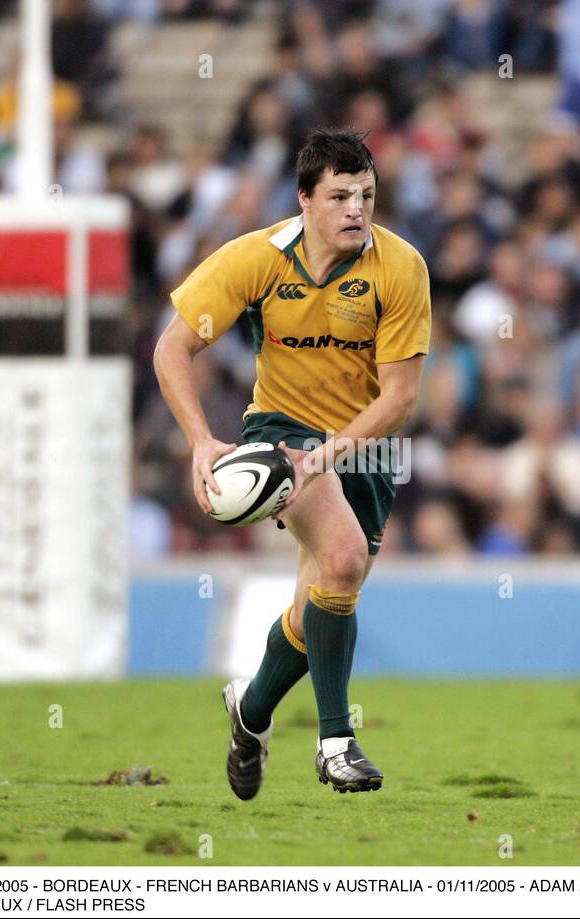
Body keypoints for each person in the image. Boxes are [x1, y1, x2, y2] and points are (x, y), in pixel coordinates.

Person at [153, 127, 430, 798]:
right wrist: (200, 440)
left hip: (364, 444)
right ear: (304, 199)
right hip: (282, 431)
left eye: (366, 195)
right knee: (341, 560)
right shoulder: (254, 259)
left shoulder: (400, 267)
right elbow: (171, 350)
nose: (356, 210)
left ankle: (250, 714)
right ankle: (336, 742)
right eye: (338, 197)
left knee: (320, 604)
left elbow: (399, 398)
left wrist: (334, 454)